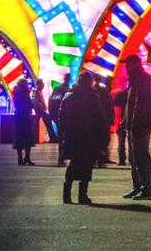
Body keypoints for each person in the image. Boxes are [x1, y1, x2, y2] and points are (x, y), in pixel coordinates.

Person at [59, 72, 108, 204]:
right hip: (88, 136)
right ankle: (82, 195)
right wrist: (103, 136)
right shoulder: (92, 97)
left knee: (73, 165)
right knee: (87, 166)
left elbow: (61, 116)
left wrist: (66, 130)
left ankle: (67, 195)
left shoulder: (69, 95)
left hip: (73, 136)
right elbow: (100, 118)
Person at [121, 55, 151, 200]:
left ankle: (146, 188)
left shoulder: (143, 79)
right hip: (132, 125)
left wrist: (134, 122)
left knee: (141, 157)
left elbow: (140, 104)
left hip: (140, 125)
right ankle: (137, 187)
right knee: (133, 158)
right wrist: (125, 120)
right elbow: (130, 103)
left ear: (135, 63)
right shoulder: (134, 79)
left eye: (128, 64)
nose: (126, 67)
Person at [11, 80, 36, 166]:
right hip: (26, 117)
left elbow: (16, 104)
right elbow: (30, 104)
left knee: (19, 138)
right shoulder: (25, 92)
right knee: (28, 138)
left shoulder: (16, 92)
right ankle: (27, 158)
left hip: (18, 116)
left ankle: (20, 159)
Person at [48, 74, 71, 165]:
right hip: (66, 117)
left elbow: (51, 101)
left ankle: (61, 158)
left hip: (58, 116)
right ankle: (62, 158)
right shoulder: (68, 90)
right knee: (65, 137)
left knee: (61, 137)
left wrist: (52, 116)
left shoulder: (57, 89)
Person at [95, 76, 115, 167]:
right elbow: (108, 106)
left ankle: (103, 158)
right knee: (104, 139)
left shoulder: (101, 90)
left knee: (104, 139)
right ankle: (101, 159)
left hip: (103, 117)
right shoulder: (104, 91)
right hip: (104, 118)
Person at [113, 88, 128, 165]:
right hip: (129, 121)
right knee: (132, 142)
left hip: (120, 122)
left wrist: (118, 124)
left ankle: (122, 160)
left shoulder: (118, 96)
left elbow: (117, 113)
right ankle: (133, 159)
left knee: (121, 142)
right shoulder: (132, 96)